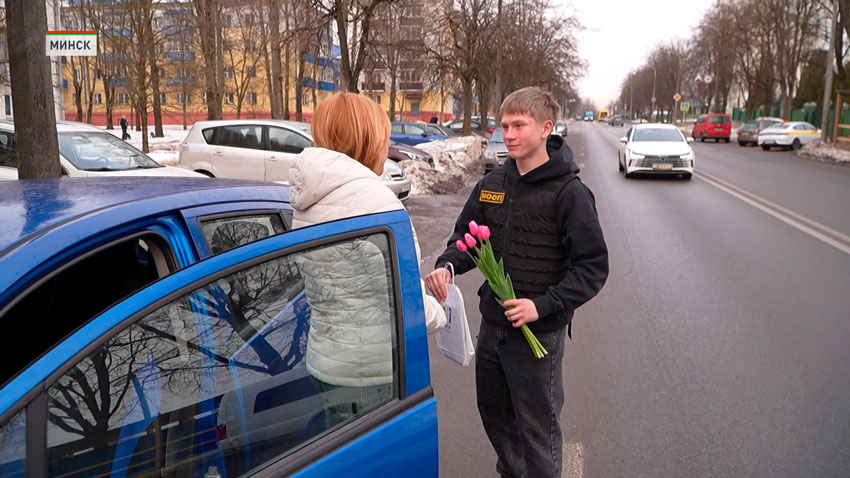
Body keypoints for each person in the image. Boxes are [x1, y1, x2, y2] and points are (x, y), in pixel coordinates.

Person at [425, 87, 608, 478]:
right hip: (494, 327)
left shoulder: (569, 194)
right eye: (504, 125)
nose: (508, 133)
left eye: (518, 125)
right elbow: (465, 239)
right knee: (496, 417)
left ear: (546, 128)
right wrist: (447, 266)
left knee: (538, 431)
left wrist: (541, 305)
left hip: (538, 335)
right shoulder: (493, 183)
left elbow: (592, 267)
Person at [289, 92, 446, 427]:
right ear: (366, 140)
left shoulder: (309, 197)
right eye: (382, 138)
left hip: (326, 360)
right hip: (367, 374)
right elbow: (403, 300)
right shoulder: (375, 202)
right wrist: (442, 314)